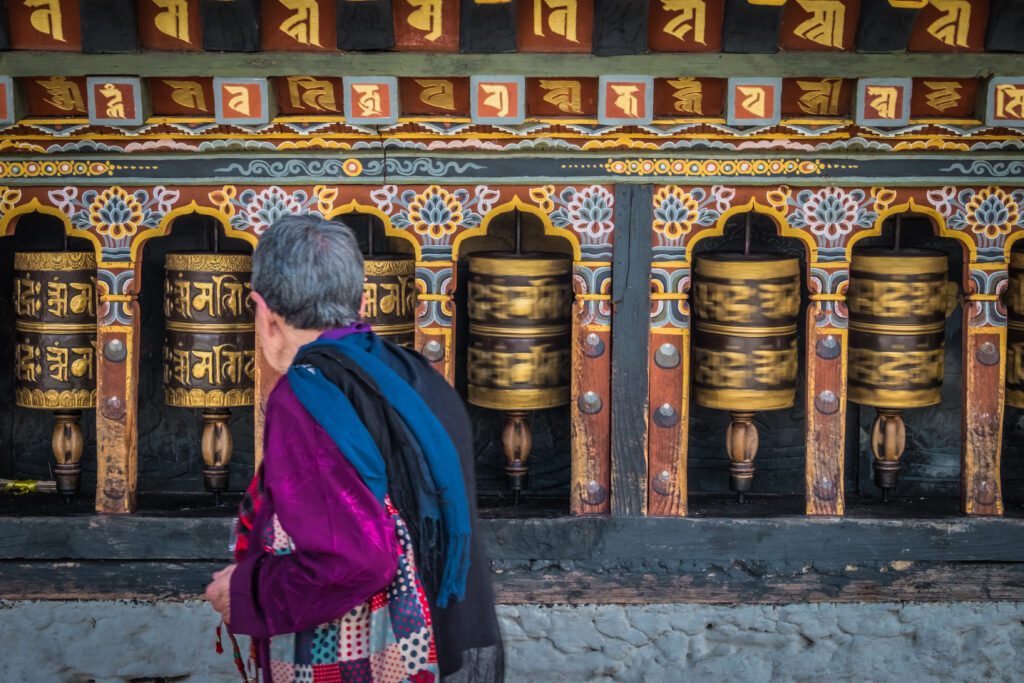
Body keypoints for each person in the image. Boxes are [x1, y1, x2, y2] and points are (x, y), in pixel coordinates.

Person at [203, 214, 504, 682]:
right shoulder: (412, 374)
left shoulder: (309, 397)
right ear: (361, 302)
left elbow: (353, 559)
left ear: (264, 311)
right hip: (431, 643)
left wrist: (246, 591)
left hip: (355, 653)